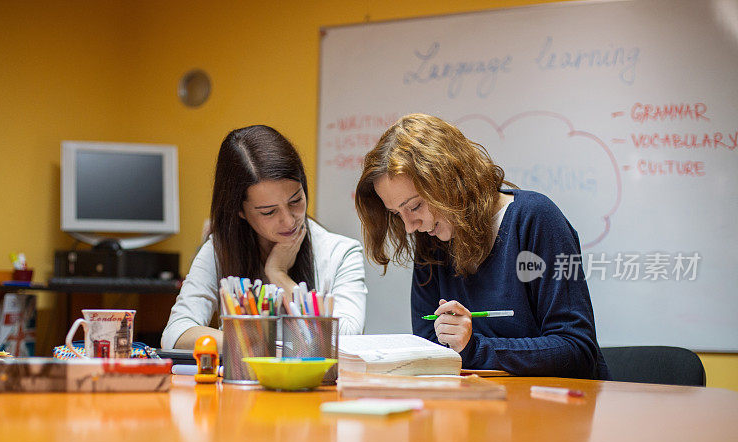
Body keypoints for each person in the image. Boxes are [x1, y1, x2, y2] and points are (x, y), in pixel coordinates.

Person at [355, 113, 609, 379]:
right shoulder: (431, 244)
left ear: (451, 180)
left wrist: (474, 347)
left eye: (415, 206)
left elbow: (576, 350)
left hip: (559, 408)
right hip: (479, 409)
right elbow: (431, 352)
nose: (409, 226)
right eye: (397, 213)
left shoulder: (535, 219)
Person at [162, 125, 367, 350]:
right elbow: (176, 333)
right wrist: (255, 343)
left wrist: (278, 274)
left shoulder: (341, 252)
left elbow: (346, 338)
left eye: (296, 201)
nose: (289, 221)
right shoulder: (220, 250)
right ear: (240, 211)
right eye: (269, 212)